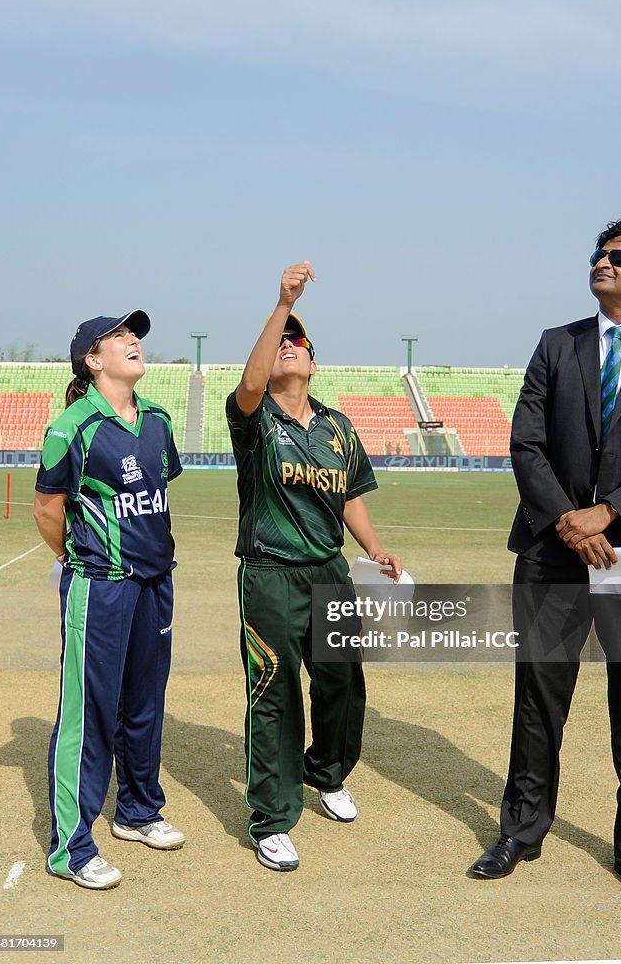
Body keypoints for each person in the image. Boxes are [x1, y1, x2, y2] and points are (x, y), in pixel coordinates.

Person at [469, 220, 621, 907]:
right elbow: (526, 442)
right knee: (538, 696)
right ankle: (519, 830)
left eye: (618, 257)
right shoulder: (558, 343)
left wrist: (606, 514)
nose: (600, 263)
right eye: (598, 254)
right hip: (552, 550)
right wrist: (567, 523)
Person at [226, 261, 402, 872]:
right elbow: (250, 386)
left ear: (314, 361)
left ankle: (327, 775)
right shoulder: (253, 420)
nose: (289, 348)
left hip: (330, 570)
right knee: (274, 691)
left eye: (298, 341)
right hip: (271, 574)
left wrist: (374, 548)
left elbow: (349, 494)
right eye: (281, 342)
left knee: (343, 683)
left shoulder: (337, 426)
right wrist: (281, 305)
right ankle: (272, 817)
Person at [33, 310, 185, 891]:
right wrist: (81, 561)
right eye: (119, 337)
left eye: (136, 335)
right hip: (101, 585)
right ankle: (70, 847)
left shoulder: (158, 422)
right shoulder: (72, 427)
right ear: (92, 361)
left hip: (155, 581)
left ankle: (138, 811)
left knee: (146, 700)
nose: (133, 342)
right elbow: (49, 512)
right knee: (89, 709)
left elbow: (152, 499)